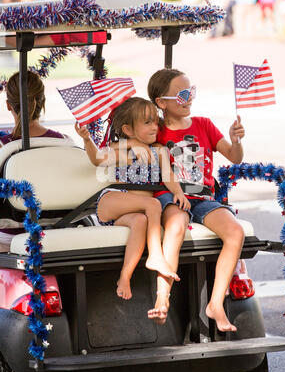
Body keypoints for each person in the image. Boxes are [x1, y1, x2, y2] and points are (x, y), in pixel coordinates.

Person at [146, 68, 245, 332]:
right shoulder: (155, 132)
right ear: (161, 103)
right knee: (176, 226)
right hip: (171, 194)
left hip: (202, 198)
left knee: (235, 231)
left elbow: (234, 157)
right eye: (182, 94)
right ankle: (162, 296)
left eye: (192, 92)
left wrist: (235, 141)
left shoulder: (204, 124)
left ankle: (215, 303)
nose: (189, 99)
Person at [75, 97, 190, 302]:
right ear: (128, 130)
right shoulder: (123, 149)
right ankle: (155, 255)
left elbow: (168, 176)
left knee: (141, 221)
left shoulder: (159, 151)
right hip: (113, 202)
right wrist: (87, 140)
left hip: (134, 214)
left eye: (156, 121)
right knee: (153, 204)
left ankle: (124, 276)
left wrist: (178, 192)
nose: (155, 126)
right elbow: (98, 159)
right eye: (147, 123)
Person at [0, 71, 66, 253]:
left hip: (8, 235)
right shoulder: (64, 142)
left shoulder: (3, 147)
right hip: (53, 229)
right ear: (43, 102)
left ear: (8, 105)